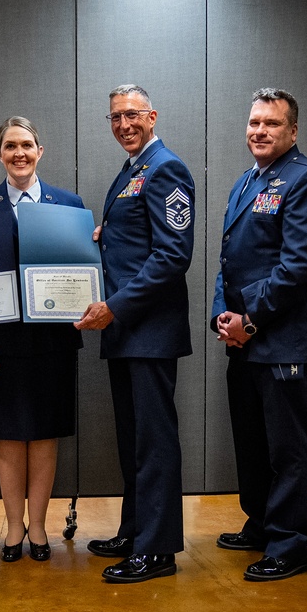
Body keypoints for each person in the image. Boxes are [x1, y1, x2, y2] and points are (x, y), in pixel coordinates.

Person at [211, 88, 307, 581]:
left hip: (286, 340)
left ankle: (290, 544)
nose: (259, 131)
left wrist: (251, 319)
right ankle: (262, 522)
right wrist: (225, 315)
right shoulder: (247, 181)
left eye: (270, 123)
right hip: (246, 340)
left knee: (290, 447)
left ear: (293, 131)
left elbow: (300, 265)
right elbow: (229, 262)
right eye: (253, 122)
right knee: (253, 442)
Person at [76, 84, 194, 583]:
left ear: (152, 115)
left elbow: (172, 256)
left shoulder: (166, 168)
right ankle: (134, 530)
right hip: (125, 331)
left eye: (132, 115)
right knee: (133, 441)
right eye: (115, 117)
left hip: (147, 329)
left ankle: (158, 549)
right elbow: (136, 239)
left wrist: (114, 308)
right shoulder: (131, 171)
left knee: (154, 442)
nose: (124, 124)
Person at [0, 116, 85, 563]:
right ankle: (13, 530)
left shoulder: (68, 204)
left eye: (27, 145)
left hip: (53, 341)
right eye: (11, 146)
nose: (20, 153)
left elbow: (79, 269)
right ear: (0, 154)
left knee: (45, 438)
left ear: (40, 151)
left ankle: (38, 529)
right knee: (9, 439)